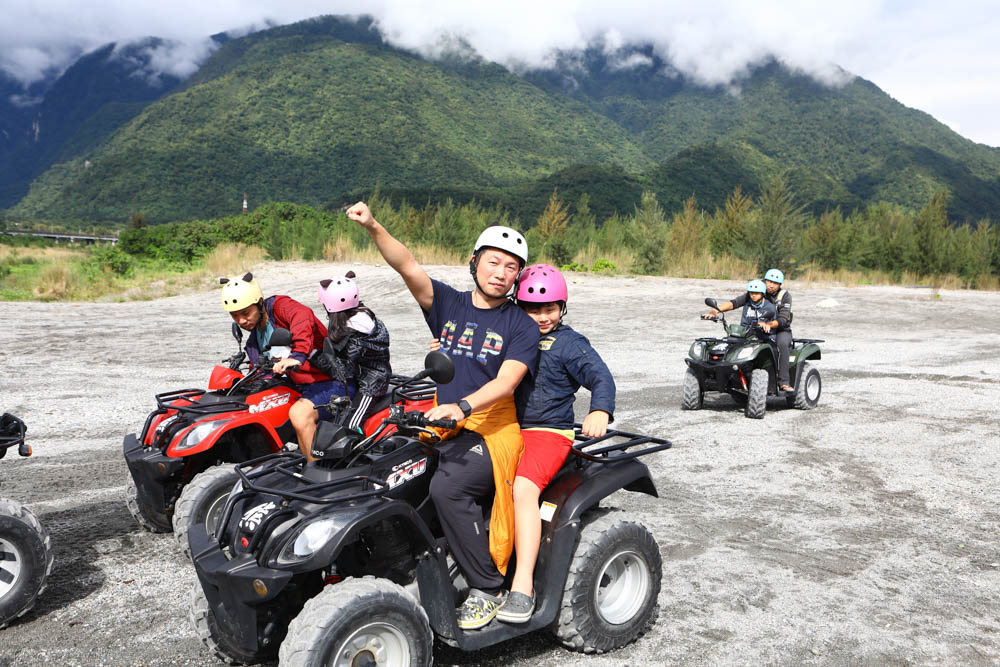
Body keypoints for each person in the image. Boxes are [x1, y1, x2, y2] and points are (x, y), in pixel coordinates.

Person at [346, 201, 539, 630]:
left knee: (449, 485)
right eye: (493, 262)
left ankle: (488, 586)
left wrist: (464, 406)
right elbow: (408, 266)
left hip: (492, 430)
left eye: (511, 267)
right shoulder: (448, 304)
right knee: (385, 464)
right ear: (474, 262)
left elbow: (507, 382)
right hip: (444, 422)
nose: (501, 273)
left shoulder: (520, 325)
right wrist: (374, 225)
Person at [496, 264, 616, 624]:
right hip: (508, 428)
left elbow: (601, 376)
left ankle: (523, 586)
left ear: (562, 307)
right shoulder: (510, 336)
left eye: (550, 308)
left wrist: (600, 410)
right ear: (519, 306)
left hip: (549, 433)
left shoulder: (569, 343)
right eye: (533, 308)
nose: (542, 316)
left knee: (523, 490)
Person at [220, 272, 340, 455]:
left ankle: (315, 470)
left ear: (259, 303)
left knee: (299, 416)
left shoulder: (280, 307)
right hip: (296, 385)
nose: (241, 321)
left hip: (328, 382)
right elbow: (259, 369)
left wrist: (298, 355)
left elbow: (303, 315)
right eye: (235, 316)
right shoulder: (255, 338)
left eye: (245, 313)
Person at [310, 270, 392, 436]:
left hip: (372, 383)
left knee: (350, 425)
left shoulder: (353, 332)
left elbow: (341, 370)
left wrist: (312, 355)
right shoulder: (362, 314)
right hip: (362, 375)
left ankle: (358, 458)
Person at [703, 279, 777, 343]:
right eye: (751, 293)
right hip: (747, 336)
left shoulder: (769, 306)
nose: (753, 295)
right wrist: (715, 311)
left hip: (765, 338)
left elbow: (774, 324)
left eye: (756, 293)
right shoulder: (747, 304)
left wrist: (765, 324)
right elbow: (733, 304)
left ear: (762, 294)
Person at [762, 268, 794, 391]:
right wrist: (717, 310)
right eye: (769, 281)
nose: (771, 285)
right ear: (764, 281)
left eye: (775, 283)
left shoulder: (785, 296)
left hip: (781, 330)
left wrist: (769, 325)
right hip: (760, 328)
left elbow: (783, 319)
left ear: (780, 285)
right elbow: (737, 302)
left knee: (781, 345)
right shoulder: (758, 291)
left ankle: (783, 381)